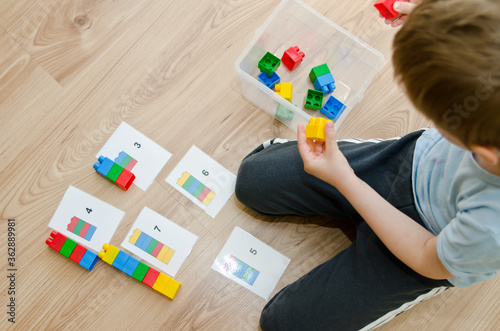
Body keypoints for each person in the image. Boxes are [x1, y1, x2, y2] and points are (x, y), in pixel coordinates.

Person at [234, 0, 500, 330]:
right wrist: (436, 20)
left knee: (284, 325)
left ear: (484, 152)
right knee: (252, 179)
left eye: (440, 119)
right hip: (410, 162)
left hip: (426, 245)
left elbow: (426, 257)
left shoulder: (491, 229)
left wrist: (345, 179)